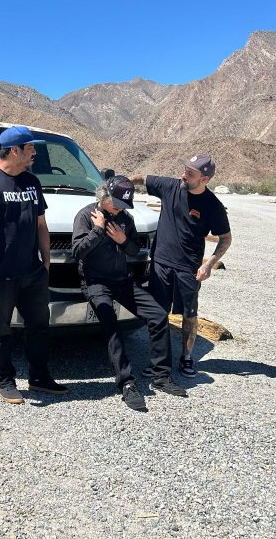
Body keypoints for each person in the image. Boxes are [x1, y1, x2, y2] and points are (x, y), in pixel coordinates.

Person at [0, 125, 68, 404]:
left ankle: (39, 377)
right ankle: (5, 380)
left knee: (38, 327)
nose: (34, 152)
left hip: (32, 272)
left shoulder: (32, 182)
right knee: (1, 329)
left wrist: (45, 263)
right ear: (14, 150)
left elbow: (40, 224)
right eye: (30, 148)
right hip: (0, 275)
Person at [72, 175, 187, 412]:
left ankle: (161, 376)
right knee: (112, 327)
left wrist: (123, 240)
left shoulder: (126, 218)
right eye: (116, 203)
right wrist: (97, 230)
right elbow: (77, 252)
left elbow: (135, 250)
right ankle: (127, 384)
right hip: (96, 283)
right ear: (103, 196)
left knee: (157, 315)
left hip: (123, 280)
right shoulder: (85, 215)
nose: (119, 208)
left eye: (123, 204)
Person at [131, 154, 232, 378]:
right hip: (160, 264)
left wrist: (209, 265)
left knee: (189, 313)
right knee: (158, 313)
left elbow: (225, 238)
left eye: (190, 173)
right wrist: (119, 184)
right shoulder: (170, 186)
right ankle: (158, 359)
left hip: (189, 269)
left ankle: (186, 357)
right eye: (185, 169)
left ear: (204, 179)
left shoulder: (212, 206)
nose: (183, 175)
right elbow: (142, 178)